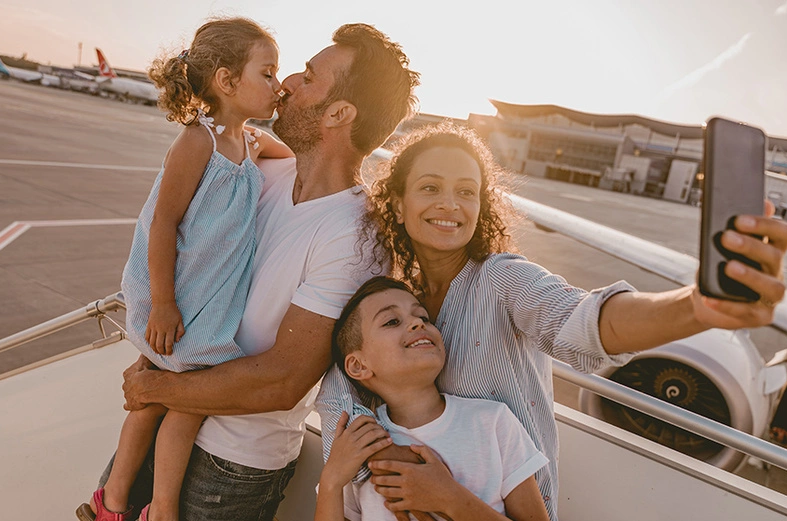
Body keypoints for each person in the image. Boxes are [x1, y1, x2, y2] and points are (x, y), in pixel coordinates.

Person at [316, 121, 787, 521]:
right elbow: (341, 389)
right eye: (429, 188)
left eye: (467, 191)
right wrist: (386, 466)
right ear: (397, 204)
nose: (450, 204)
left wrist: (694, 308)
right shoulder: (401, 303)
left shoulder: (502, 279)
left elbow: (586, 322)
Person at [104, 23, 421, 520]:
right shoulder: (260, 174)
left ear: (339, 113)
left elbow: (284, 379)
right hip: (167, 414)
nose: (288, 82)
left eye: (309, 77)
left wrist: (156, 385)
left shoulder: (354, 238)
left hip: (230, 465)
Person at [78, 17, 291, 521]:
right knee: (181, 403)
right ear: (226, 80)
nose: (277, 86)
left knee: (162, 398)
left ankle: (113, 503)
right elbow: (162, 224)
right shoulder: (199, 142)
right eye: (267, 73)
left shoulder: (246, 141)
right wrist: (164, 304)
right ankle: (156, 509)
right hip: (179, 301)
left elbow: (287, 155)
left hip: (204, 300)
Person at [316, 277, 550, 521]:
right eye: (392, 321)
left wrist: (451, 498)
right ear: (358, 366)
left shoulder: (492, 421)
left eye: (424, 317)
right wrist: (331, 480)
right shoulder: (356, 446)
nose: (417, 323)